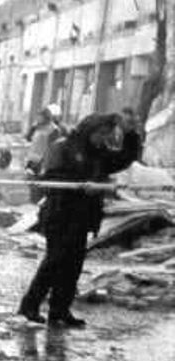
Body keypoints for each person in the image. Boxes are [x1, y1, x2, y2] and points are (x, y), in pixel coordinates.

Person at [17, 112, 142, 328]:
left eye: (108, 134)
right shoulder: (63, 146)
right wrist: (84, 185)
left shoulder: (100, 153)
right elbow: (51, 179)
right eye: (101, 133)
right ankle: (30, 305)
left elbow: (124, 158)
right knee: (54, 261)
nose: (103, 138)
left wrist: (130, 133)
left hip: (83, 217)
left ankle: (60, 310)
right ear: (89, 129)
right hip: (60, 214)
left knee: (73, 265)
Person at [24, 105, 62, 202]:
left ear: (46, 116)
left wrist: (46, 163)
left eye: (40, 116)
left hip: (43, 161)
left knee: (40, 186)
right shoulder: (37, 127)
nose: (38, 118)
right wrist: (32, 128)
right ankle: (33, 203)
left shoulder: (54, 129)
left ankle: (39, 203)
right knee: (31, 185)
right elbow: (28, 138)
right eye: (37, 116)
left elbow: (53, 148)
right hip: (32, 160)